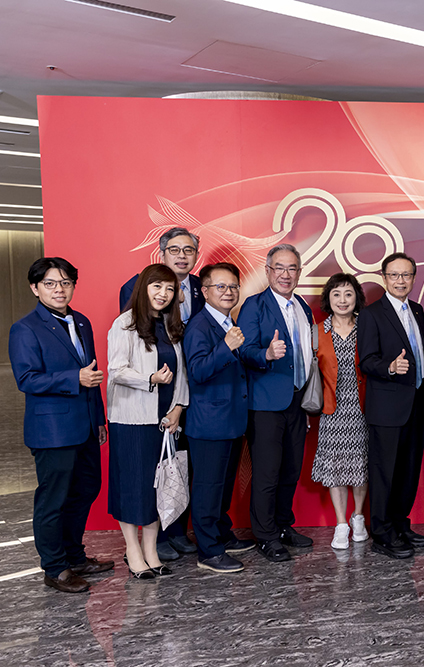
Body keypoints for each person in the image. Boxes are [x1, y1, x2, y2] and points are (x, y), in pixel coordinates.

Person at [9, 258, 113, 593]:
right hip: (52, 430)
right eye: (51, 283)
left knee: (86, 489)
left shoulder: (81, 322)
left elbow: (92, 375)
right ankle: (55, 568)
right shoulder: (25, 328)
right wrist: (74, 378)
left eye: (66, 283)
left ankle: (74, 556)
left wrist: (99, 419)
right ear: (35, 288)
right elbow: (27, 379)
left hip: (86, 425)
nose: (59, 289)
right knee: (52, 500)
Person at [118, 226, 203, 561]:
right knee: (151, 469)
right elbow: (132, 348)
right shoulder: (136, 287)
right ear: (162, 252)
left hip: (192, 394)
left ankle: (176, 530)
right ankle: (156, 540)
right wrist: (151, 379)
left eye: (188, 250)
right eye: (175, 250)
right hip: (148, 400)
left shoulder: (201, 287)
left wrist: (180, 402)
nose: (182, 256)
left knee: (178, 465)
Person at [107, 263, 189, 579]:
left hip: (164, 421)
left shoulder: (170, 325)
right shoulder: (125, 324)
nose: (163, 293)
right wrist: (150, 379)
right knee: (133, 488)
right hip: (132, 421)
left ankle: (151, 551)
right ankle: (132, 551)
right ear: (144, 288)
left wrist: (178, 408)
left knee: (157, 488)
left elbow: (181, 374)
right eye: (157, 286)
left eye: (169, 288)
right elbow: (116, 370)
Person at [237, 244, 316, 563]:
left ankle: (283, 525)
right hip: (266, 403)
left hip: (297, 401)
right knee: (267, 473)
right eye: (279, 268)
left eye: (292, 268)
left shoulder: (303, 307)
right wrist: (266, 355)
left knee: (290, 470)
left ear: (299, 272)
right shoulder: (254, 305)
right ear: (268, 271)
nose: (286, 274)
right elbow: (243, 350)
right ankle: (266, 535)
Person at [358, 252, 424, 559]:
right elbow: (366, 360)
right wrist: (389, 367)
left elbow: (423, 358)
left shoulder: (416, 309)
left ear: (414, 278)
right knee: (384, 472)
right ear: (384, 277)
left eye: (406, 275)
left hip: (416, 403)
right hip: (387, 407)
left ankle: (401, 524)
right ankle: (382, 532)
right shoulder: (371, 314)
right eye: (394, 275)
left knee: (408, 470)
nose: (401, 281)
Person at [182, 262, 256, 573]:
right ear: (205, 291)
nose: (228, 292)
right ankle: (209, 552)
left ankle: (221, 535)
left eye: (233, 286)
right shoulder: (199, 326)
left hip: (230, 420)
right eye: (220, 286)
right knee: (208, 488)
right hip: (209, 423)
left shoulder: (227, 322)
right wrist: (226, 347)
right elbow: (197, 371)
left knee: (223, 486)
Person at [310, 273, 370, 550]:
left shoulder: (367, 327)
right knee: (336, 468)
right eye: (336, 294)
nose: (342, 300)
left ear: (356, 297)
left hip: (363, 408)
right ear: (328, 299)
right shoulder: (316, 331)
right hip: (331, 410)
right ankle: (341, 524)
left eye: (348, 294)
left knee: (360, 465)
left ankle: (358, 517)